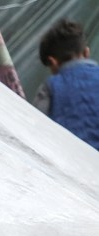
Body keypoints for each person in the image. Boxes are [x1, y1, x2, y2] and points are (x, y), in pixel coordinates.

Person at [34, 19, 99, 151]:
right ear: (86, 52)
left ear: (53, 62)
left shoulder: (50, 87)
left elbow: (36, 125)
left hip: (68, 159)